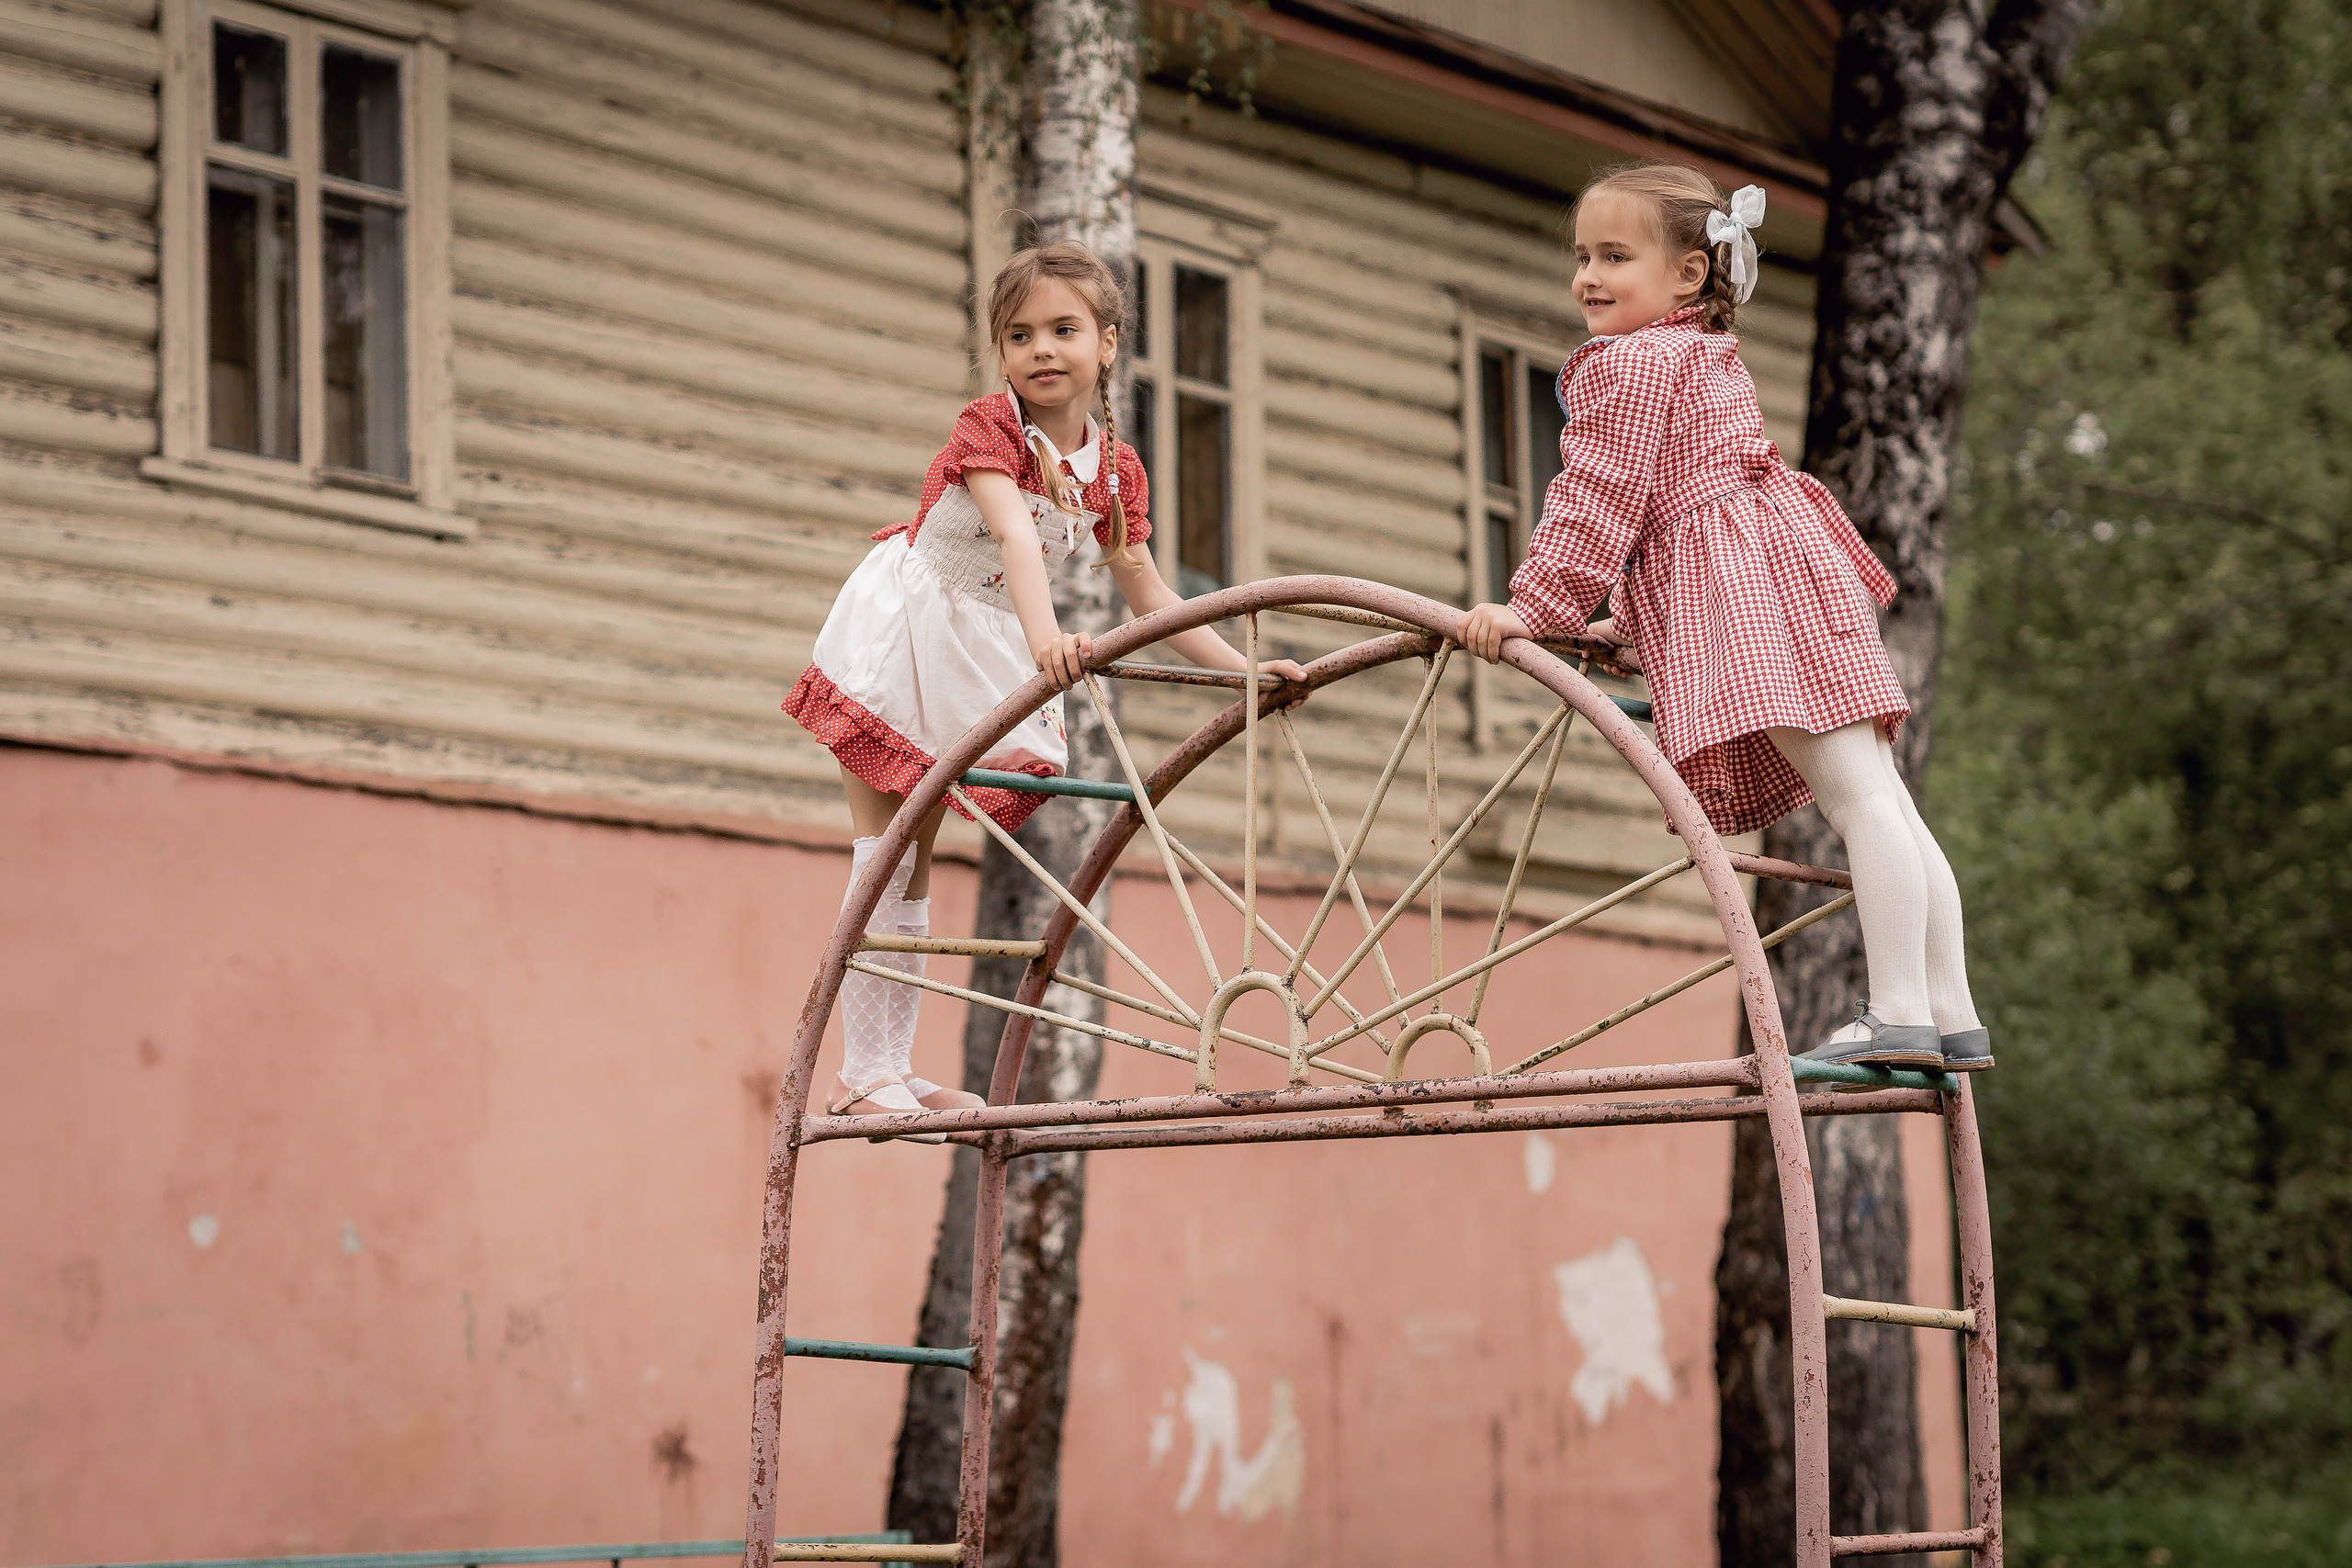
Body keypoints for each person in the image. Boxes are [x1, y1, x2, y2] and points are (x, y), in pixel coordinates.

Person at [1458, 163, 1990, 1077]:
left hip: (1750, 591)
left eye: (1614, 256)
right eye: (1581, 255)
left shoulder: (1623, 363)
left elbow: (1600, 502)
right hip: (1790, 568)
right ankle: (1950, 1011)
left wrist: (1530, 609)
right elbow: (1676, 510)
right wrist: (1631, 627)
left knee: (1859, 801)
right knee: (1881, 797)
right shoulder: (1699, 353)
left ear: (1689, 276)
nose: (1587, 275)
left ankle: (1898, 1009)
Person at [785, 240, 1306, 1119]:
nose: (1041, 351)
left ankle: (878, 1069)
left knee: (916, 865)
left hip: (978, 641)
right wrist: (1045, 643)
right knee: (888, 857)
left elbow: (1147, 590)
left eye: (1064, 329)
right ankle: (864, 1075)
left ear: (1107, 344)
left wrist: (1241, 672)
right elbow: (1018, 538)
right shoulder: (990, 428)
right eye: (1020, 335)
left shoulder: (1115, 469)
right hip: (906, 631)